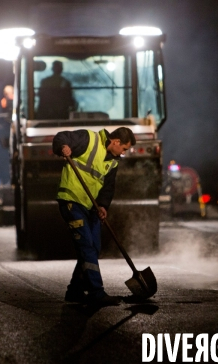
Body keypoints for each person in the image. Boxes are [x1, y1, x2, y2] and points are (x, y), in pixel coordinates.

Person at [53, 126, 136, 306]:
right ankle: (96, 292)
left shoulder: (113, 162)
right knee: (87, 246)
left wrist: (104, 205)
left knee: (94, 247)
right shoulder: (89, 139)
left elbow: (108, 187)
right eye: (124, 148)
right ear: (116, 142)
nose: (123, 153)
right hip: (71, 200)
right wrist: (63, 148)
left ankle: (75, 290)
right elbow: (61, 137)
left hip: (90, 206)